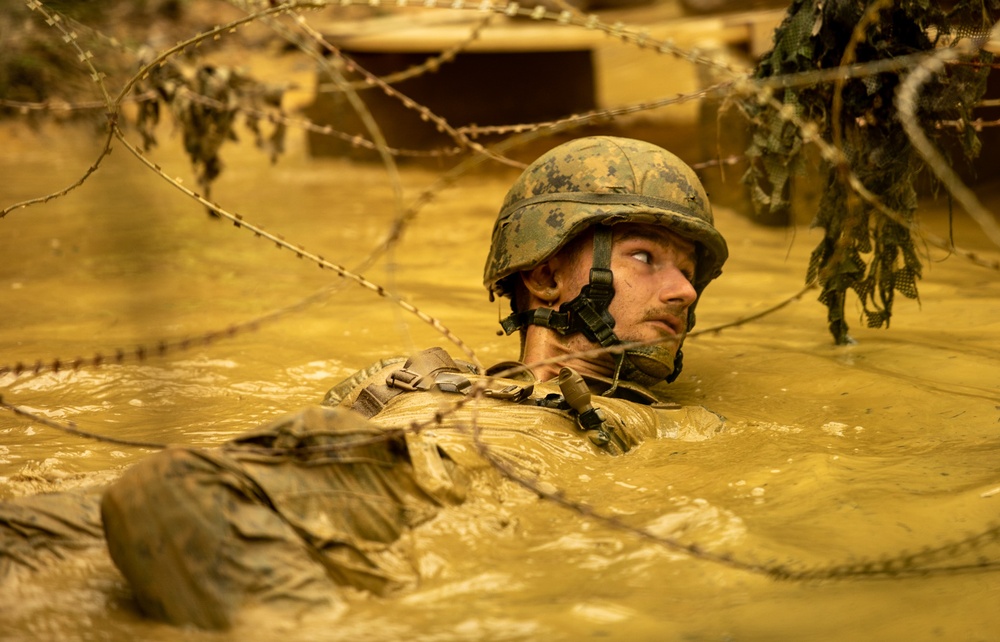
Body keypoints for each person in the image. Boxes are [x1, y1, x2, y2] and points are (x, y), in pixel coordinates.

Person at [1, 136, 729, 629]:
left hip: (384, 498)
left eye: (688, 271)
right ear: (543, 273)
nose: (683, 292)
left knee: (168, 496)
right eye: (646, 258)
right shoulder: (412, 375)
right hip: (277, 486)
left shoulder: (667, 423)